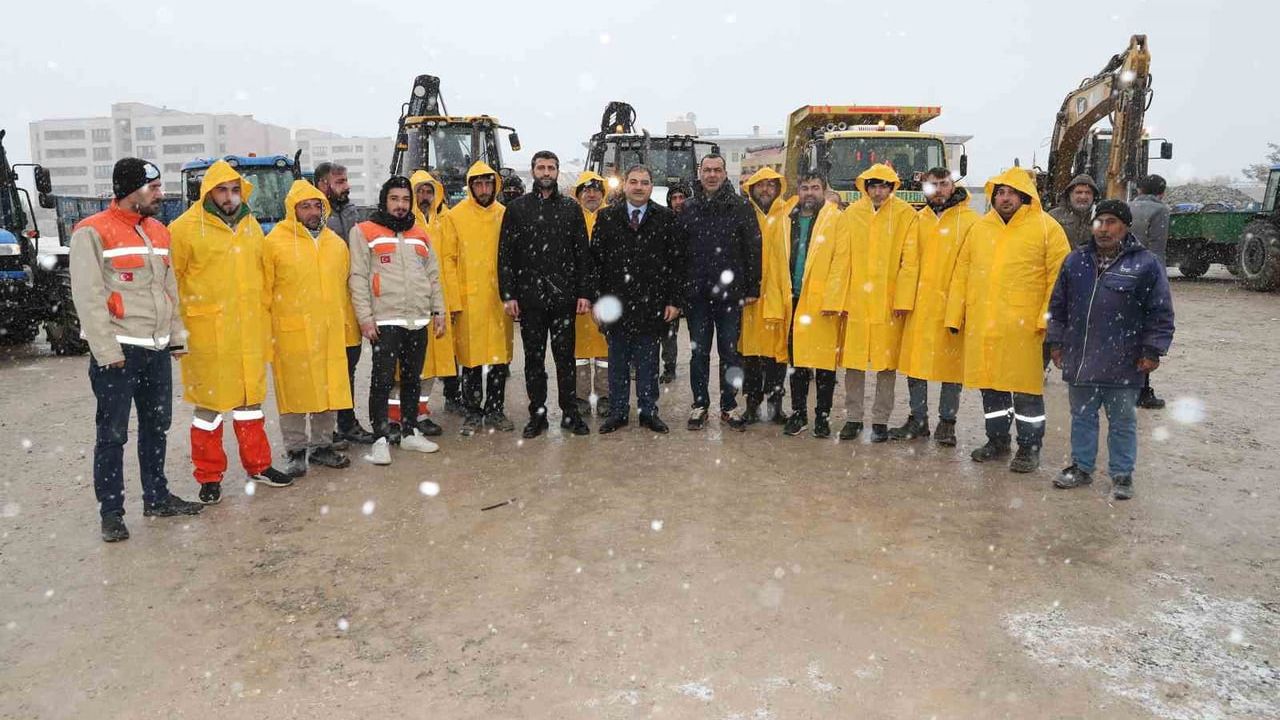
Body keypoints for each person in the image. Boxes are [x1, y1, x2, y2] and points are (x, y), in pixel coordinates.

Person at [70, 158, 203, 541]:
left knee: (156, 427)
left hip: (156, 349)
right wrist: (106, 350)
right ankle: (111, 512)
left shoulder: (159, 232)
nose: (160, 194)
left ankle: (157, 497)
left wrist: (176, 337)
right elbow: (89, 298)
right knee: (112, 434)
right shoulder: (91, 232)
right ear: (131, 190)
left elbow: (170, 289)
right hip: (119, 351)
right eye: (154, 188)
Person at [170, 160, 294, 504]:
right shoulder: (184, 229)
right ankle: (209, 477)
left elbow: (263, 278)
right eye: (222, 190)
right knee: (209, 411)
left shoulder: (251, 226)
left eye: (235, 189)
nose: (229, 197)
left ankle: (258, 465)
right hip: (207, 335)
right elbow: (172, 284)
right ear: (208, 192)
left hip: (248, 334)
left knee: (250, 405)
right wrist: (176, 333)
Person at [945, 168, 1071, 473]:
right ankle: (998, 440)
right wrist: (955, 314)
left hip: (1026, 329)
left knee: (1026, 392)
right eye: (1000, 192)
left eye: (1011, 192)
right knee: (991, 387)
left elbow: (1060, 279)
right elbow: (962, 273)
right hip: (984, 324)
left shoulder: (1046, 228)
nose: (1005, 198)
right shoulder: (980, 228)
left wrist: (1047, 320)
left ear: (1024, 195)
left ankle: (1029, 446)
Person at [1048, 200, 1175, 500]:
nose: (1103, 229)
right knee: (1082, 417)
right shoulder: (1076, 260)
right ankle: (1081, 466)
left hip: (1124, 361)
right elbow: (1058, 306)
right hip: (1080, 358)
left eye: (1111, 222)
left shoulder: (1145, 264)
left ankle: (1121, 474)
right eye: (1099, 221)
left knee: (1122, 422)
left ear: (1126, 226)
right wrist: (1055, 341)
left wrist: (1152, 350)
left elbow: (1160, 312)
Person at [348, 176, 447, 463]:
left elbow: (433, 276)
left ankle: (410, 432)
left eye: (405, 200)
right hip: (385, 318)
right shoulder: (364, 231)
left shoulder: (420, 233)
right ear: (384, 200)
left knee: (412, 379)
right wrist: (365, 318)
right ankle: (380, 439)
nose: (401, 205)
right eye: (395, 199)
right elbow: (358, 277)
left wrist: (438, 311)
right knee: (381, 380)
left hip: (417, 318)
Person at [498, 151, 594, 438]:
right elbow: (506, 255)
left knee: (566, 359)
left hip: (564, 298)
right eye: (541, 167)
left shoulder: (570, 208)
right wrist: (509, 294)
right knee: (534, 360)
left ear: (557, 171)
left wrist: (584, 292)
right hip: (531, 300)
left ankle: (570, 412)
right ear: (533, 171)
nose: (546, 172)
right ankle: (537, 415)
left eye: (551, 167)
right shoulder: (516, 209)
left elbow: (582, 255)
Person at [263, 180, 354, 477]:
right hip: (291, 333)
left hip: (328, 332)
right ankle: (296, 450)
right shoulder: (274, 243)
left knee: (328, 390)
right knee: (294, 394)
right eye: (306, 206)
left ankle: (322, 446)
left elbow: (344, 287)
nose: (313, 212)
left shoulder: (336, 245)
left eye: (318, 206)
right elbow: (263, 291)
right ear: (293, 210)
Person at [592, 165, 685, 434]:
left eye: (644, 182)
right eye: (633, 182)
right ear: (625, 186)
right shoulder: (608, 217)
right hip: (615, 304)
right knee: (617, 362)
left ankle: (648, 411)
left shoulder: (665, 218)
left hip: (651, 304)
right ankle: (618, 412)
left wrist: (674, 300)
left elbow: (675, 263)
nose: (639, 187)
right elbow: (596, 262)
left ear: (651, 186)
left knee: (648, 363)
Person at [891, 168, 977, 446]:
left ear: (953, 186)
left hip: (953, 306)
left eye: (944, 184)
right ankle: (918, 419)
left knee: (951, 368)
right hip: (919, 306)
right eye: (933, 185)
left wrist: (964, 306)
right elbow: (908, 262)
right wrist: (904, 301)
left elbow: (973, 268)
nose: (938, 189)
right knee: (916, 365)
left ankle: (947, 423)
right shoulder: (918, 220)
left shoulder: (971, 222)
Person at [833, 164, 919, 443]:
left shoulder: (906, 215)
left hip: (888, 303)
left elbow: (910, 262)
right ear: (865, 187)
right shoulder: (852, 214)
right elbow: (843, 259)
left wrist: (903, 299)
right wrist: (840, 298)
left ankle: (880, 421)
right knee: (853, 364)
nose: (878, 191)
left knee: (886, 366)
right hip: (857, 302)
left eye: (884, 186)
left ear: (892, 188)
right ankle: (853, 418)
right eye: (873, 186)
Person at [680, 153, 761, 431]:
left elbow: (752, 249)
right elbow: (680, 253)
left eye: (717, 170)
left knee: (729, 353)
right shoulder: (688, 208)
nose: (712, 175)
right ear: (700, 173)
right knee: (699, 353)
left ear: (725, 174)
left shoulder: (740, 207)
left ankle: (729, 405)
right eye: (707, 170)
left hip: (730, 295)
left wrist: (753, 287)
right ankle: (700, 404)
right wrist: (682, 289)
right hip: (697, 295)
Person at [439, 162, 515, 435]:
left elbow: (515, 259)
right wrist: (454, 301)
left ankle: (495, 410)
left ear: (496, 184)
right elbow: (447, 260)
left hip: (498, 300)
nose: (483, 190)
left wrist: (513, 295)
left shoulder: (506, 215)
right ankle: (472, 411)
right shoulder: (455, 217)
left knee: (498, 359)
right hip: (468, 301)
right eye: (478, 184)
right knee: (470, 361)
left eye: (488, 184)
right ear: (470, 186)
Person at [782, 172, 846, 438]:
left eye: (815, 188)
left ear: (824, 191)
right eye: (805, 188)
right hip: (793, 299)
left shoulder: (836, 220)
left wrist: (833, 299)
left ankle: (822, 415)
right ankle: (799, 413)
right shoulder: (788, 219)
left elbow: (841, 262)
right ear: (798, 190)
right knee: (797, 362)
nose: (810, 193)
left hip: (821, 303)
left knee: (824, 364)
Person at [315, 162, 375, 446]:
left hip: (352, 303)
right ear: (323, 184)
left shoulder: (352, 213)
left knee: (348, 366)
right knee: (327, 369)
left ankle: (347, 423)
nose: (346, 186)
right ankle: (325, 432)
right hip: (324, 305)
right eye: (340, 181)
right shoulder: (314, 217)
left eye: (346, 180)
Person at [740, 168, 796, 425]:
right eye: (760, 185)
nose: (765, 190)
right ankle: (751, 405)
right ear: (752, 188)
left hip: (778, 294)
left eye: (770, 185)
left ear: (777, 188)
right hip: (751, 298)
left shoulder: (789, 214)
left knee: (776, 353)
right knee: (750, 354)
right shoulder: (743, 215)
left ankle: (776, 405)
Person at [409, 170, 460, 429]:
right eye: (420, 191)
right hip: (414, 301)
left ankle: (421, 411)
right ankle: (402, 415)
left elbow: (451, 262)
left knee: (433, 360)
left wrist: (452, 303)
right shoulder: (407, 223)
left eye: (429, 192)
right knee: (413, 361)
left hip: (439, 302)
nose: (425, 197)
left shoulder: (445, 221)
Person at [1128, 174, 1171, 410]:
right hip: (1145, 277)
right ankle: (1142, 390)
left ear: (1139, 189)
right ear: (1161, 193)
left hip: (1123, 273)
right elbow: (1157, 249)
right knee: (1146, 333)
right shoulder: (1160, 211)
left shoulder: (1126, 207)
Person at [572, 171, 612, 417]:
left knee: (605, 350)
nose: (591, 194)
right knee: (579, 353)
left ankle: (606, 395)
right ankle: (580, 397)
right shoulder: (570, 217)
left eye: (596, 189)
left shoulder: (611, 217)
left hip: (606, 296)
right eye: (586, 190)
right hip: (578, 297)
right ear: (578, 194)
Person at [659, 180, 692, 383]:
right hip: (672, 282)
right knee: (668, 331)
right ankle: (669, 367)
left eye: (682, 198)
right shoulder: (664, 222)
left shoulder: (696, 220)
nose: (678, 202)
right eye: (674, 198)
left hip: (693, 284)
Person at [1048, 174, 1099, 250]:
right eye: (1079, 192)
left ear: (1093, 196)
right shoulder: (1054, 216)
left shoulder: (1100, 217)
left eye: (1088, 192)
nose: (1083, 196)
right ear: (1069, 194)